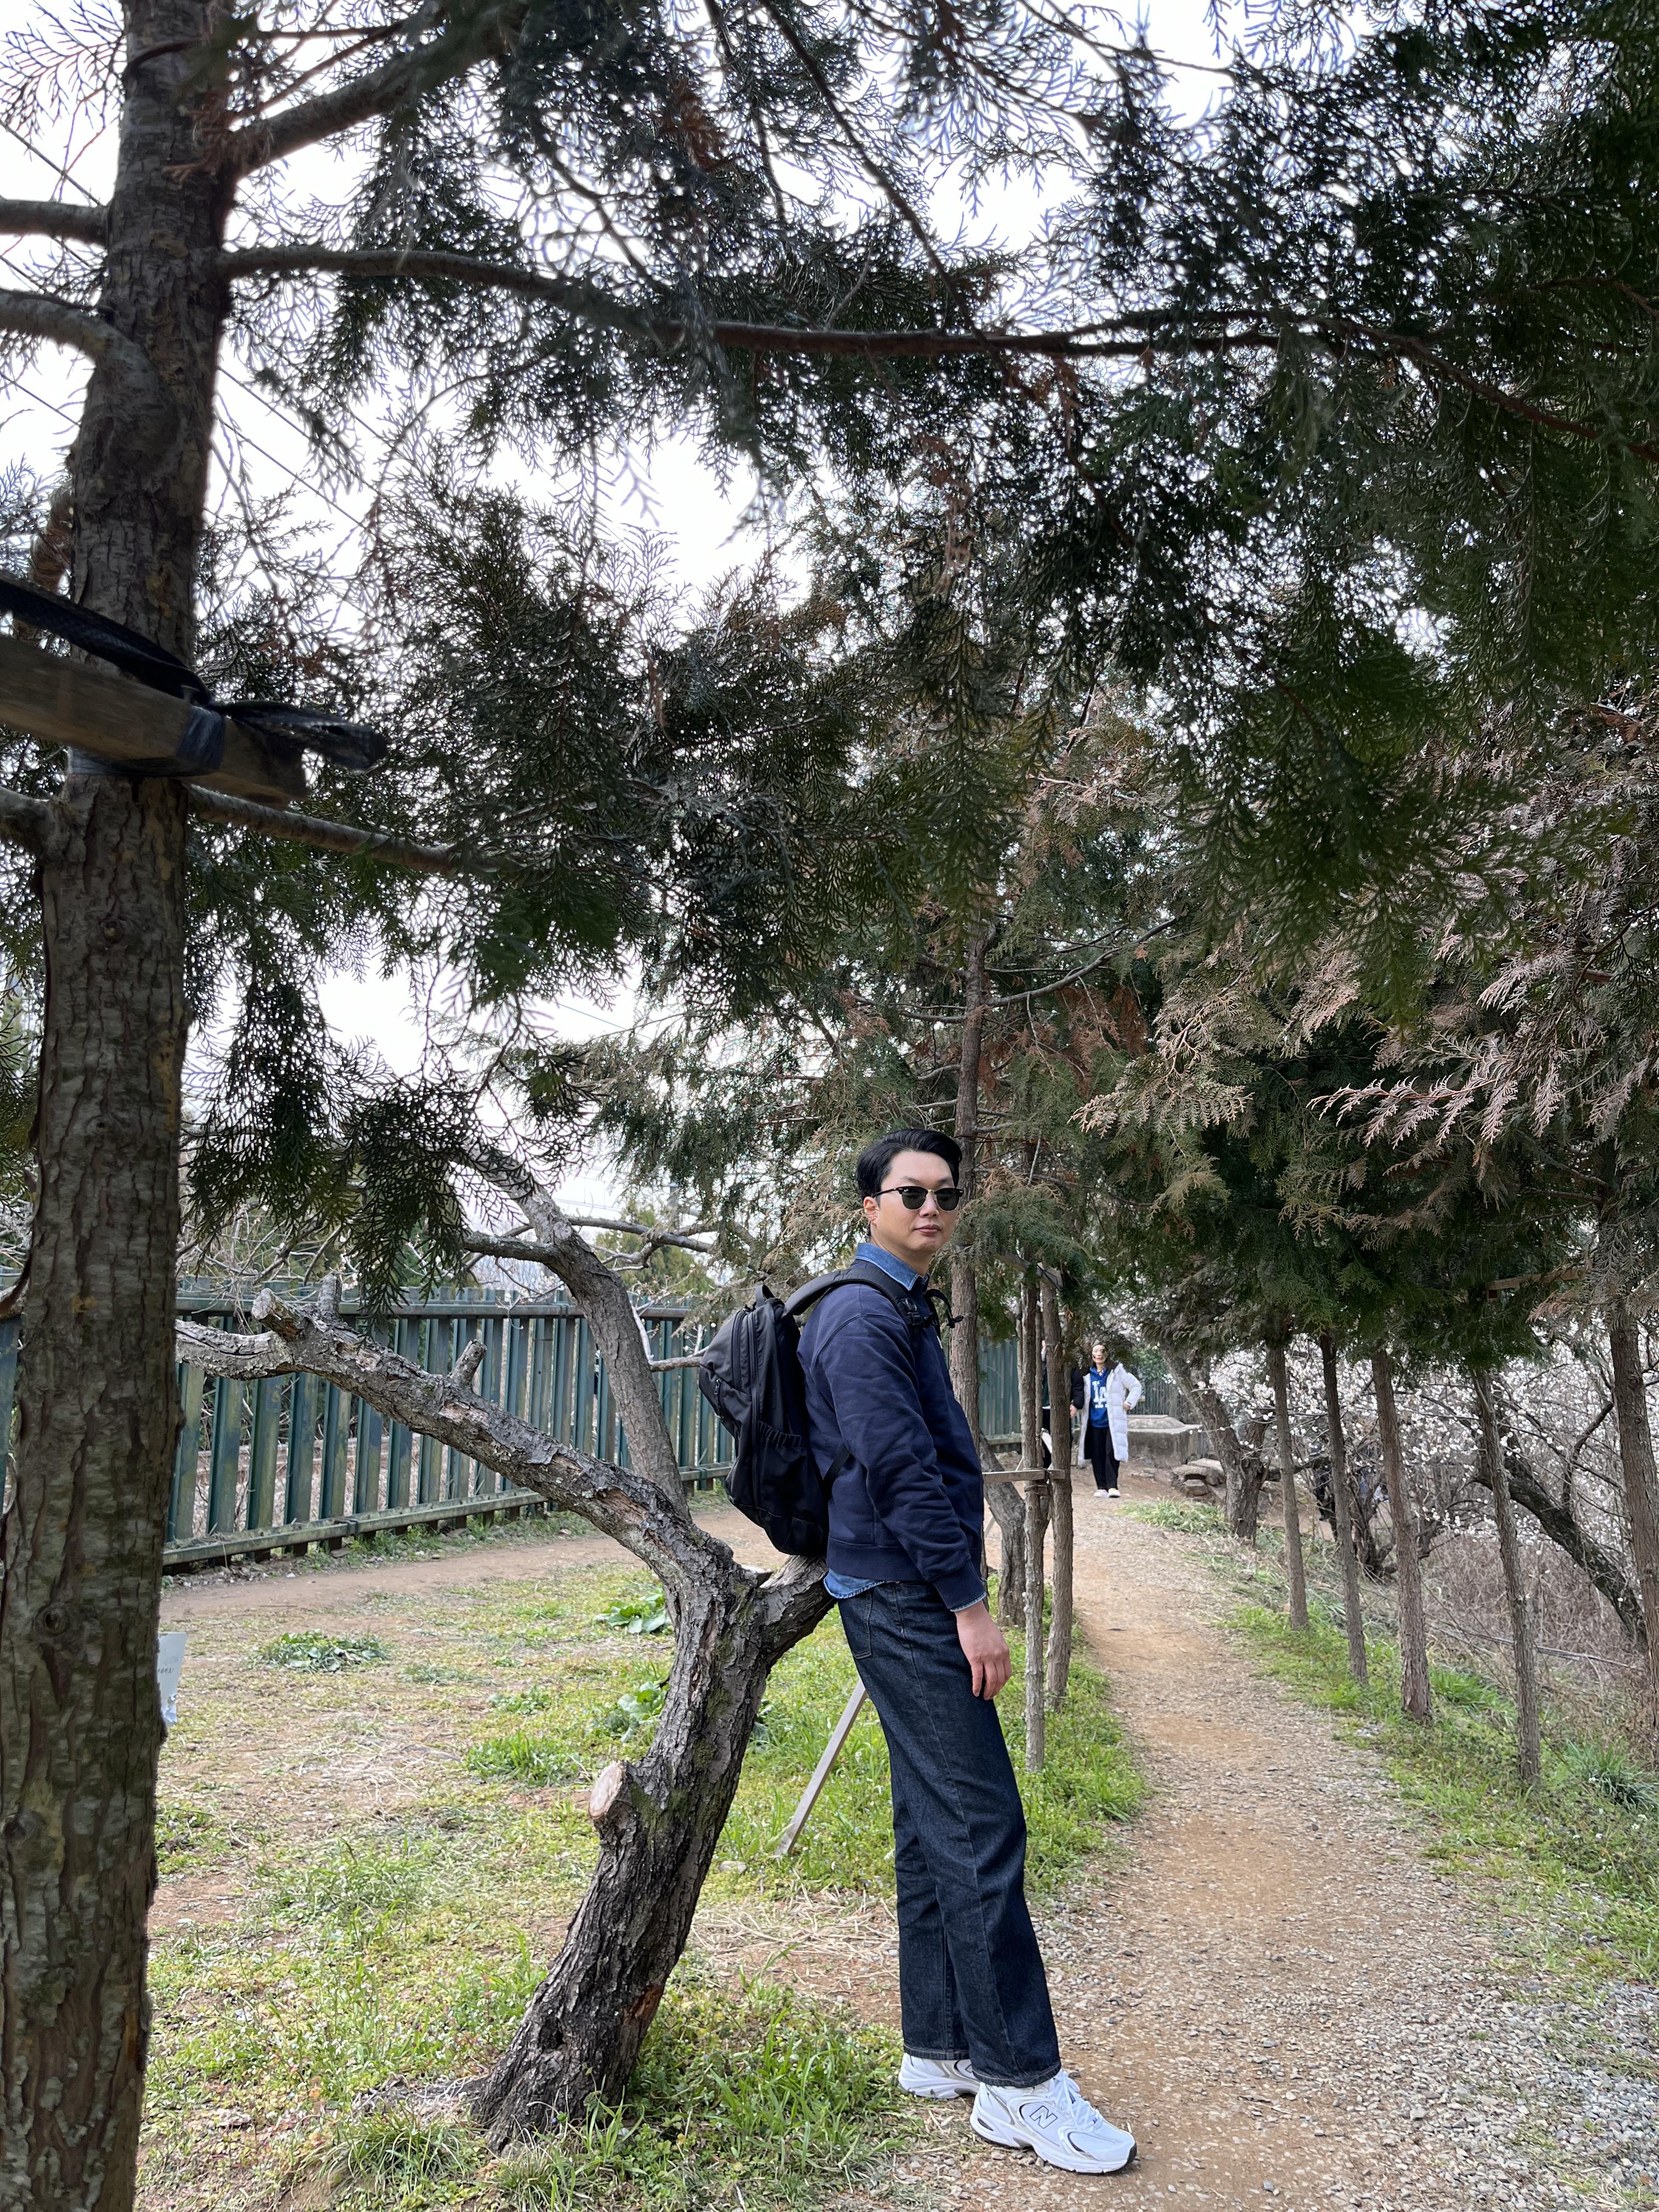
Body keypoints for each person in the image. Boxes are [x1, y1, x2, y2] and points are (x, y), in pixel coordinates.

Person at [798, 1129, 1136, 2176]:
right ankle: (1018, 2084)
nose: (931, 1209)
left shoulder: (894, 1302)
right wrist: (968, 1605)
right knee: (983, 1824)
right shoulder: (861, 1314)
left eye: (945, 1194)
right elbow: (898, 1470)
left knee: (929, 1818)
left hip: (897, 1586)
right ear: (868, 1204)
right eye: (910, 1193)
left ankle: (940, 2044)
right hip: (907, 1594)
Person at [1073, 1341, 1142, 1498]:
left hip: (1112, 1421)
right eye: (1096, 1351)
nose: (1099, 1354)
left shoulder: (1117, 1371)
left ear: (1107, 1354)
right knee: (1097, 1454)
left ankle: (1113, 1487)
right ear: (1091, 1355)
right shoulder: (1086, 1375)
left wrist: (1129, 1403)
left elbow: (1136, 1386)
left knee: (1111, 1452)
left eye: (1102, 1351)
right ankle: (1101, 1487)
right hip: (1093, 1421)